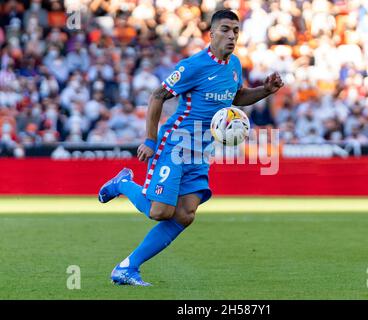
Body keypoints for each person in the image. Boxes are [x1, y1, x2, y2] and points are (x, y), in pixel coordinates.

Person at [98, 9, 284, 286]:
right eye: (225, 29)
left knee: (185, 214)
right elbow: (158, 95)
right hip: (175, 144)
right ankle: (123, 183)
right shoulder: (193, 66)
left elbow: (238, 96)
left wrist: (265, 90)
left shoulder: (234, 66)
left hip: (202, 151)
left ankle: (127, 268)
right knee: (159, 212)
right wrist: (150, 140)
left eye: (235, 30)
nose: (231, 35)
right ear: (211, 33)